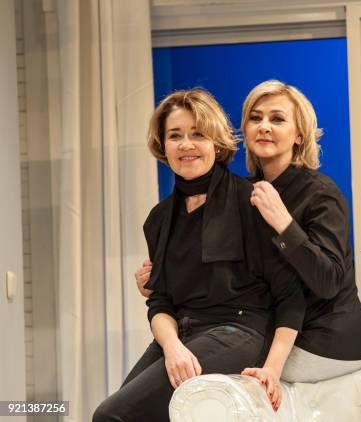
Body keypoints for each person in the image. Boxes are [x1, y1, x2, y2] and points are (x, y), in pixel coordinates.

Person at [94, 89, 304, 421]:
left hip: (239, 330)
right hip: (183, 334)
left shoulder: (250, 201)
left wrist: (272, 369)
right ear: (163, 146)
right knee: (107, 415)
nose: (186, 145)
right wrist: (173, 346)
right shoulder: (159, 219)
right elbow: (160, 303)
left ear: (217, 143)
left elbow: (291, 295)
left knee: (115, 415)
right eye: (175, 136)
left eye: (198, 135)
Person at [239, 80, 361, 383]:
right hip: (281, 332)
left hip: (330, 341)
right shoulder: (244, 192)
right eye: (255, 117)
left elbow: (327, 281)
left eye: (277, 119)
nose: (264, 126)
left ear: (300, 135)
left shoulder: (322, 193)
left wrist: (284, 223)